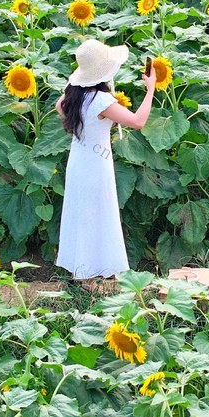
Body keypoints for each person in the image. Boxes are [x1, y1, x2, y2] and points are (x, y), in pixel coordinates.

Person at [53, 39, 157, 292]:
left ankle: (83, 273)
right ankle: (90, 279)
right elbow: (138, 121)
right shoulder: (100, 101)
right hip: (96, 165)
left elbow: (59, 107)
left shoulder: (73, 97)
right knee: (96, 213)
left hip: (78, 161)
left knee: (82, 213)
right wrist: (150, 89)